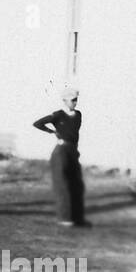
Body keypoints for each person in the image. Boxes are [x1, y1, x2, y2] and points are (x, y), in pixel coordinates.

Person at [33, 88, 87, 227]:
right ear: (64, 101)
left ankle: (77, 218)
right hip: (61, 152)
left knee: (77, 185)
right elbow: (38, 123)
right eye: (72, 100)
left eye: (76, 100)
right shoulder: (58, 115)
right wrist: (52, 131)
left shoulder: (78, 115)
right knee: (62, 185)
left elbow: (72, 132)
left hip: (73, 152)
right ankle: (65, 218)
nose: (75, 102)